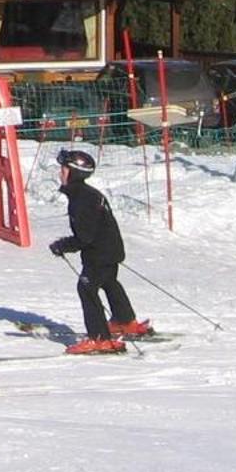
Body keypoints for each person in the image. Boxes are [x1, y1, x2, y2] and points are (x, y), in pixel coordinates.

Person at [47, 147, 152, 354]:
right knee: (109, 282)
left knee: (86, 288)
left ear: (74, 173)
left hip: (99, 253)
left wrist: (62, 245)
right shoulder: (85, 194)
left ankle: (99, 338)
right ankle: (124, 321)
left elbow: (85, 237)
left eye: (64, 169)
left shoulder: (82, 199)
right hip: (109, 251)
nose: (61, 173)